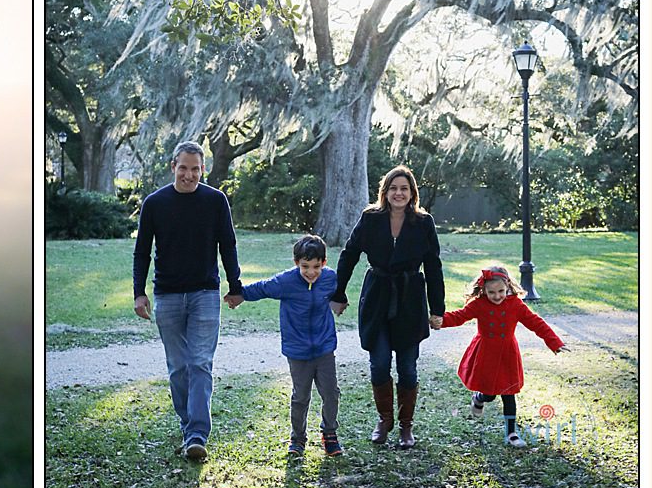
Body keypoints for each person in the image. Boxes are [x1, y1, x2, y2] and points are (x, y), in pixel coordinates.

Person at [131, 141, 244, 462]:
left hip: (205, 294)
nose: (189, 175)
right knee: (178, 368)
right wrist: (139, 292)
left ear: (203, 170)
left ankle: (196, 433)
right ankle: (187, 423)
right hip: (166, 295)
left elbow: (229, 246)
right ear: (173, 167)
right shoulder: (155, 203)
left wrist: (236, 286)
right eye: (184, 168)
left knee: (200, 364)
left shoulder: (215, 201)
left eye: (196, 169)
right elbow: (141, 251)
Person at [328, 164, 445, 449]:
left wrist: (437, 308)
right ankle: (384, 419)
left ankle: (406, 426)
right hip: (378, 297)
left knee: (407, 367)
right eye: (393, 188)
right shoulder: (370, 219)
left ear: (412, 192)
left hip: (410, 300)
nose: (398, 193)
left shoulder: (423, 222)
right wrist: (338, 293)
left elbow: (433, 266)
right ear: (385, 192)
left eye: (404, 188)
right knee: (379, 363)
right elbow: (349, 255)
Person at [229, 234, 343, 457]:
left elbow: (340, 293)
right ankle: (298, 438)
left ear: (324, 263)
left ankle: (329, 434)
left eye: (316, 266)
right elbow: (263, 288)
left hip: (324, 348)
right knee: (300, 396)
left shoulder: (330, 278)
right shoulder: (286, 281)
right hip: (297, 351)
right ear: (296, 263)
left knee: (331, 393)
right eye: (305, 266)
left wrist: (342, 302)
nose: (311, 272)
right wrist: (240, 295)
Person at [439, 264, 567, 446]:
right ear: (483, 290)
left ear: (508, 286)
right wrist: (439, 321)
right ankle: (479, 398)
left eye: (501, 291)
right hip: (485, 353)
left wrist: (554, 342)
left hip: (507, 353)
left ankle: (511, 433)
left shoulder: (515, 304)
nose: (497, 296)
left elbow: (536, 323)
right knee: (489, 394)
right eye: (492, 292)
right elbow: (459, 316)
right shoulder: (479, 304)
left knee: (509, 392)